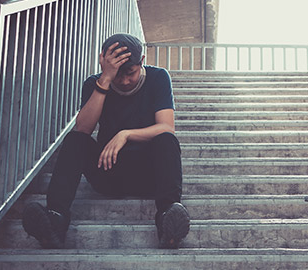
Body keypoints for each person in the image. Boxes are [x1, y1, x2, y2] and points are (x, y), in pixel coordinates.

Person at [22, 33, 190, 249]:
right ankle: (55, 219)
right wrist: (105, 81)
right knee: (75, 140)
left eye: (131, 73)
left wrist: (125, 134)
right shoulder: (95, 84)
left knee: (166, 139)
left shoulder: (158, 78)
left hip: (150, 176)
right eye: (118, 75)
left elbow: (167, 127)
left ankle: (168, 218)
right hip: (109, 175)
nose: (125, 80)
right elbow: (82, 129)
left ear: (143, 60)